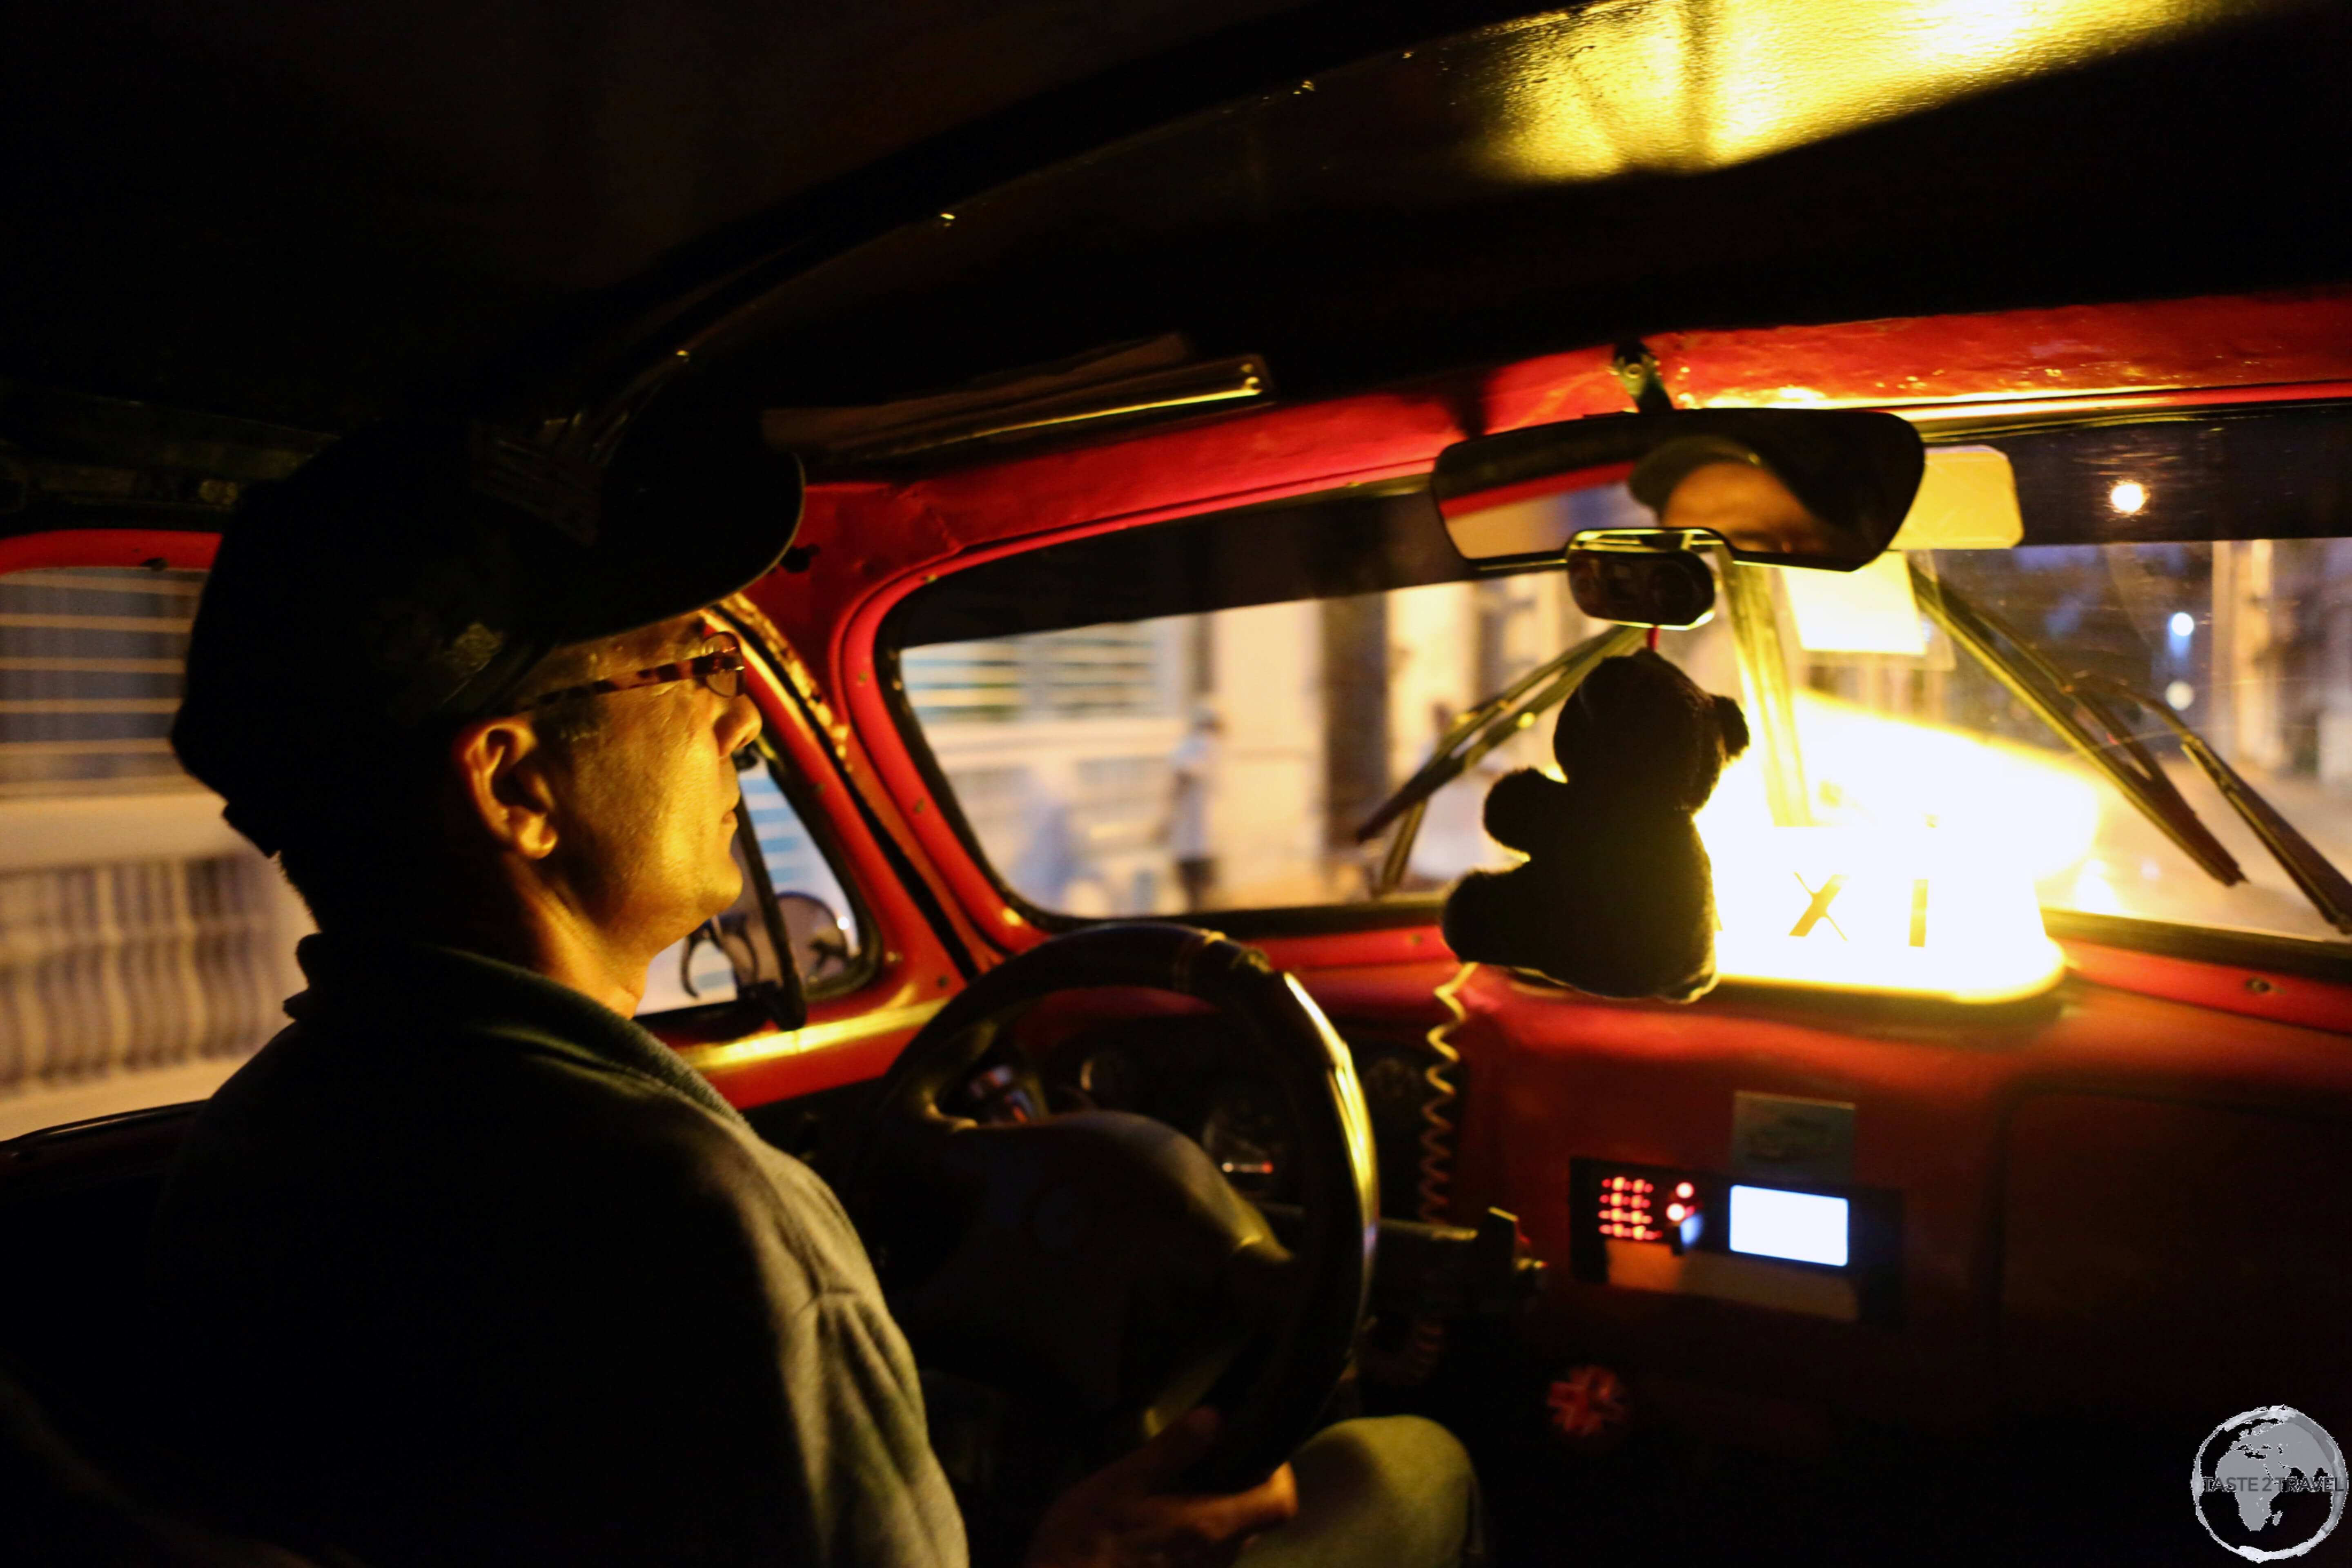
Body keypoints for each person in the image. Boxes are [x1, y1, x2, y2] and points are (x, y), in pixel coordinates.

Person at [147, 421, 1477, 1568]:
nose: (743, 721)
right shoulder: (703, 1220)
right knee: (1410, 1475)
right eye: (687, 667)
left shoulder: (254, 1142)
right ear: (515, 789)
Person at [1164, 702, 1224, 911]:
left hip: (1194, 838)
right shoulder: (1212, 747)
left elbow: (1180, 776)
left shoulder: (1199, 745)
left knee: (1195, 895)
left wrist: (1166, 819)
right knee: (1206, 894)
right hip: (1204, 838)